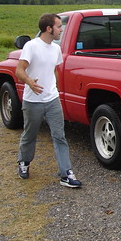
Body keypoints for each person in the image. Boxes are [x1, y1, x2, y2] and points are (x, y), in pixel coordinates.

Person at [16, 13, 82, 188]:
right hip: (33, 101)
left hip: (52, 100)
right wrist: (30, 82)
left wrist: (57, 90)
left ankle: (66, 174)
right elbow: (19, 70)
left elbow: (55, 70)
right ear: (48, 28)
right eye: (59, 26)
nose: (61, 30)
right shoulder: (31, 46)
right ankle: (24, 161)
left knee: (59, 136)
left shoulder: (55, 48)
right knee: (30, 135)